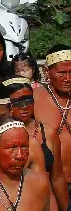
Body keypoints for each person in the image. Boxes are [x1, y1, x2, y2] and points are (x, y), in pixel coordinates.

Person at [8, 77, 68, 211]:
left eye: (28, 100)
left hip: (46, 208)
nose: (24, 106)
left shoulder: (48, 133)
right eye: (17, 102)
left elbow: (57, 178)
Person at [34, 44, 71, 184]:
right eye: (61, 73)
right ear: (47, 71)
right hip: (49, 183)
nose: (67, 78)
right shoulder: (34, 98)